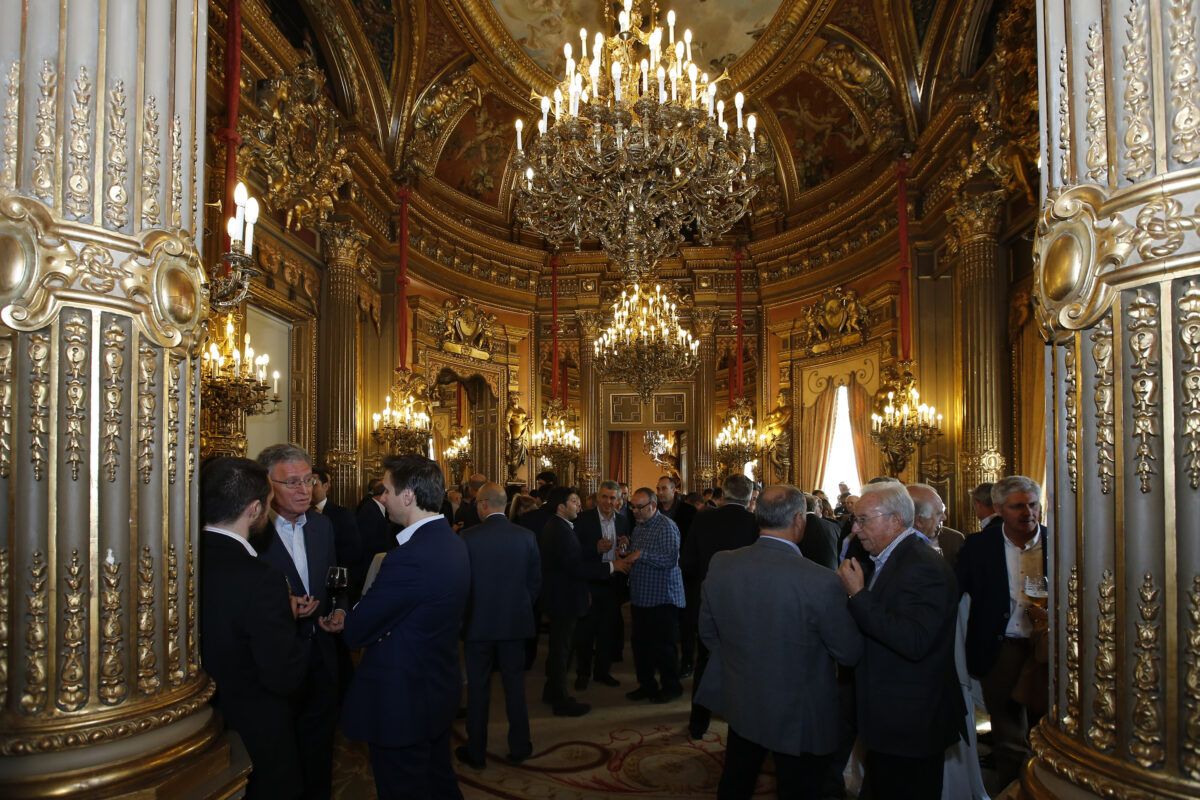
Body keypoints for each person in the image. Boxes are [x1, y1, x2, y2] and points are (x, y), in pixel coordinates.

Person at [697, 485, 863, 799]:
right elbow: (850, 652)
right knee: (798, 789)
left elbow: (708, 633)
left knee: (736, 780)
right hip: (799, 712)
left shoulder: (721, 564)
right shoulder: (822, 581)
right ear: (799, 521)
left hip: (742, 697)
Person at [342, 455, 471, 800]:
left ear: (409, 496)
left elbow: (356, 631)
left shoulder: (410, 556)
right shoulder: (452, 542)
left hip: (403, 701)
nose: (381, 497)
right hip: (436, 687)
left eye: (386, 490)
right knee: (438, 781)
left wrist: (356, 614)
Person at [837, 482, 964, 799]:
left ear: (894, 520)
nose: (855, 528)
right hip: (891, 719)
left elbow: (913, 640)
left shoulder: (922, 566)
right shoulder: (893, 558)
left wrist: (858, 596)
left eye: (864, 519)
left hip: (912, 723)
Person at [200, 457, 308, 799]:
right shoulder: (262, 579)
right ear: (255, 509)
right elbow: (283, 675)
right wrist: (290, 622)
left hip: (198, 725)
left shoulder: (179, 559)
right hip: (253, 731)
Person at [256, 444, 343, 800]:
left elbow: (336, 582)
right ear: (267, 484)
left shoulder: (322, 527)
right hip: (275, 662)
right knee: (278, 758)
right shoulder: (254, 534)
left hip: (321, 656)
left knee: (319, 750)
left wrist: (339, 611)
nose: (303, 489)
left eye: (307, 480)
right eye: (291, 482)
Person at [956, 475, 1048, 788]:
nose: (1028, 513)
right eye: (1018, 506)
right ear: (999, 508)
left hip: (1047, 650)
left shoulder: (1059, 542)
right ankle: (1013, 789)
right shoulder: (979, 546)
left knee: (1047, 727)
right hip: (1001, 649)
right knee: (1008, 735)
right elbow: (955, 591)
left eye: (1033, 504)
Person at [457, 483, 541, 769]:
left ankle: (476, 751)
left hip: (477, 626)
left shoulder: (467, 538)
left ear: (482, 505)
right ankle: (520, 746)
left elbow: (461, 586)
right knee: (515, 688)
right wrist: (517, 607)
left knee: (478, 690)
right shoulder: (527, 537)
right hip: (514, 625)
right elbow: (534, 584)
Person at [540, 486, 637, 716]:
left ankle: (552, 690)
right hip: (570, 593)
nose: (579, 505)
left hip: (587, 589)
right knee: (565, 647)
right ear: (561, 507)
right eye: (574, 501)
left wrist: (623, 546)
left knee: (572, 643)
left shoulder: (561, 525)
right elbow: (576, 565)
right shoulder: (563, 528)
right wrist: (611, 563)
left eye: (613, 498)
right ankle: (561, 699)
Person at [680, 473, 759, 739]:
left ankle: (697, 724)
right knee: (744, 664)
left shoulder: (702, 518)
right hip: (746, 605)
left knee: (704, 662)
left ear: (722, 494)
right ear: (750, 497)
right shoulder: (755, 522)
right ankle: (742, 722)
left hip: (708, 600)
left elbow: (687, 562)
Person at [625, 487, 686, 703]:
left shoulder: (666, 526)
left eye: (639, 507)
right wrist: (628, 550)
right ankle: (647, 684)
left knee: (664, 647)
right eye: (632, 506)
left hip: (662, 598)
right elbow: (635, 554)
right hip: (641, 596)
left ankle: (672, 687)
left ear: (652, 506)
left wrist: (641, 554)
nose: (634, 511)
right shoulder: (639, 527)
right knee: (641, 646)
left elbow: (670, 559)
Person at [572, 480, 630, 690]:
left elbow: (625, 544)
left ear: (618, 500)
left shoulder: (623, 520)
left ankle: (602, 672)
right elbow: (574, 552)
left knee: (608, 631)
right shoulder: (583, 519)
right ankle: (583, 673)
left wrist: (625, 543)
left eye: (612, 498)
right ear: (598, 498)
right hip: (590, 582)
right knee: (586, 632)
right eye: (604, 497)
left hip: (613, 582)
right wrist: (594, 548)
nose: (608, 502)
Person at [655, 475, 697, 676]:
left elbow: (692, 542)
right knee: (662, 620)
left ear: (674, 490)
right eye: (658, 488)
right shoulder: (652, 510)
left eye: (664, 488)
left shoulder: (688, 512)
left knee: (686, 621)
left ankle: (687, 661)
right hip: (658, 573)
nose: (661, 492)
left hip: (682, 572)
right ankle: (663, 660)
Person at [908, 483, 966, 569]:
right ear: (919, 520)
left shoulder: (954, 537)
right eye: (938, 513)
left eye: (943, 511)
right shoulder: (897, 546)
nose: (944, 517)